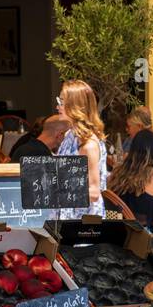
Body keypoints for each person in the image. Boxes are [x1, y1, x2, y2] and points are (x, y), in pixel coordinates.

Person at [56, 80, 107, 217]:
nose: (57, 106)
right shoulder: (70, 136)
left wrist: (54, 191)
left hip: (83, 224)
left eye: (61, 101)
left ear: (74, 106)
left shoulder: (88, 144)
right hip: (68, 218)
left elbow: (94, 192)